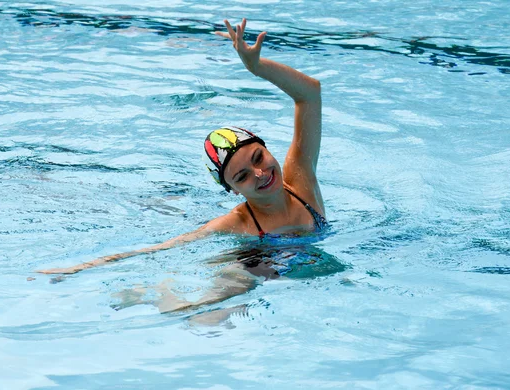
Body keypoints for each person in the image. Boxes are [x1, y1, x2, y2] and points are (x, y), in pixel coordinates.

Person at [38, 18, 325, 276]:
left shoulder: (301, 182)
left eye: (258, 157)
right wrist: (80, 268)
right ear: (233, 190)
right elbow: (162, 249)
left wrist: (257, 67)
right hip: (261, 258)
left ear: (266, 148)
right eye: (242, 176)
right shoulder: (235, 224)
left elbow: (309, 94)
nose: (260, 173)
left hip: (294, 263)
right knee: (223, 295)